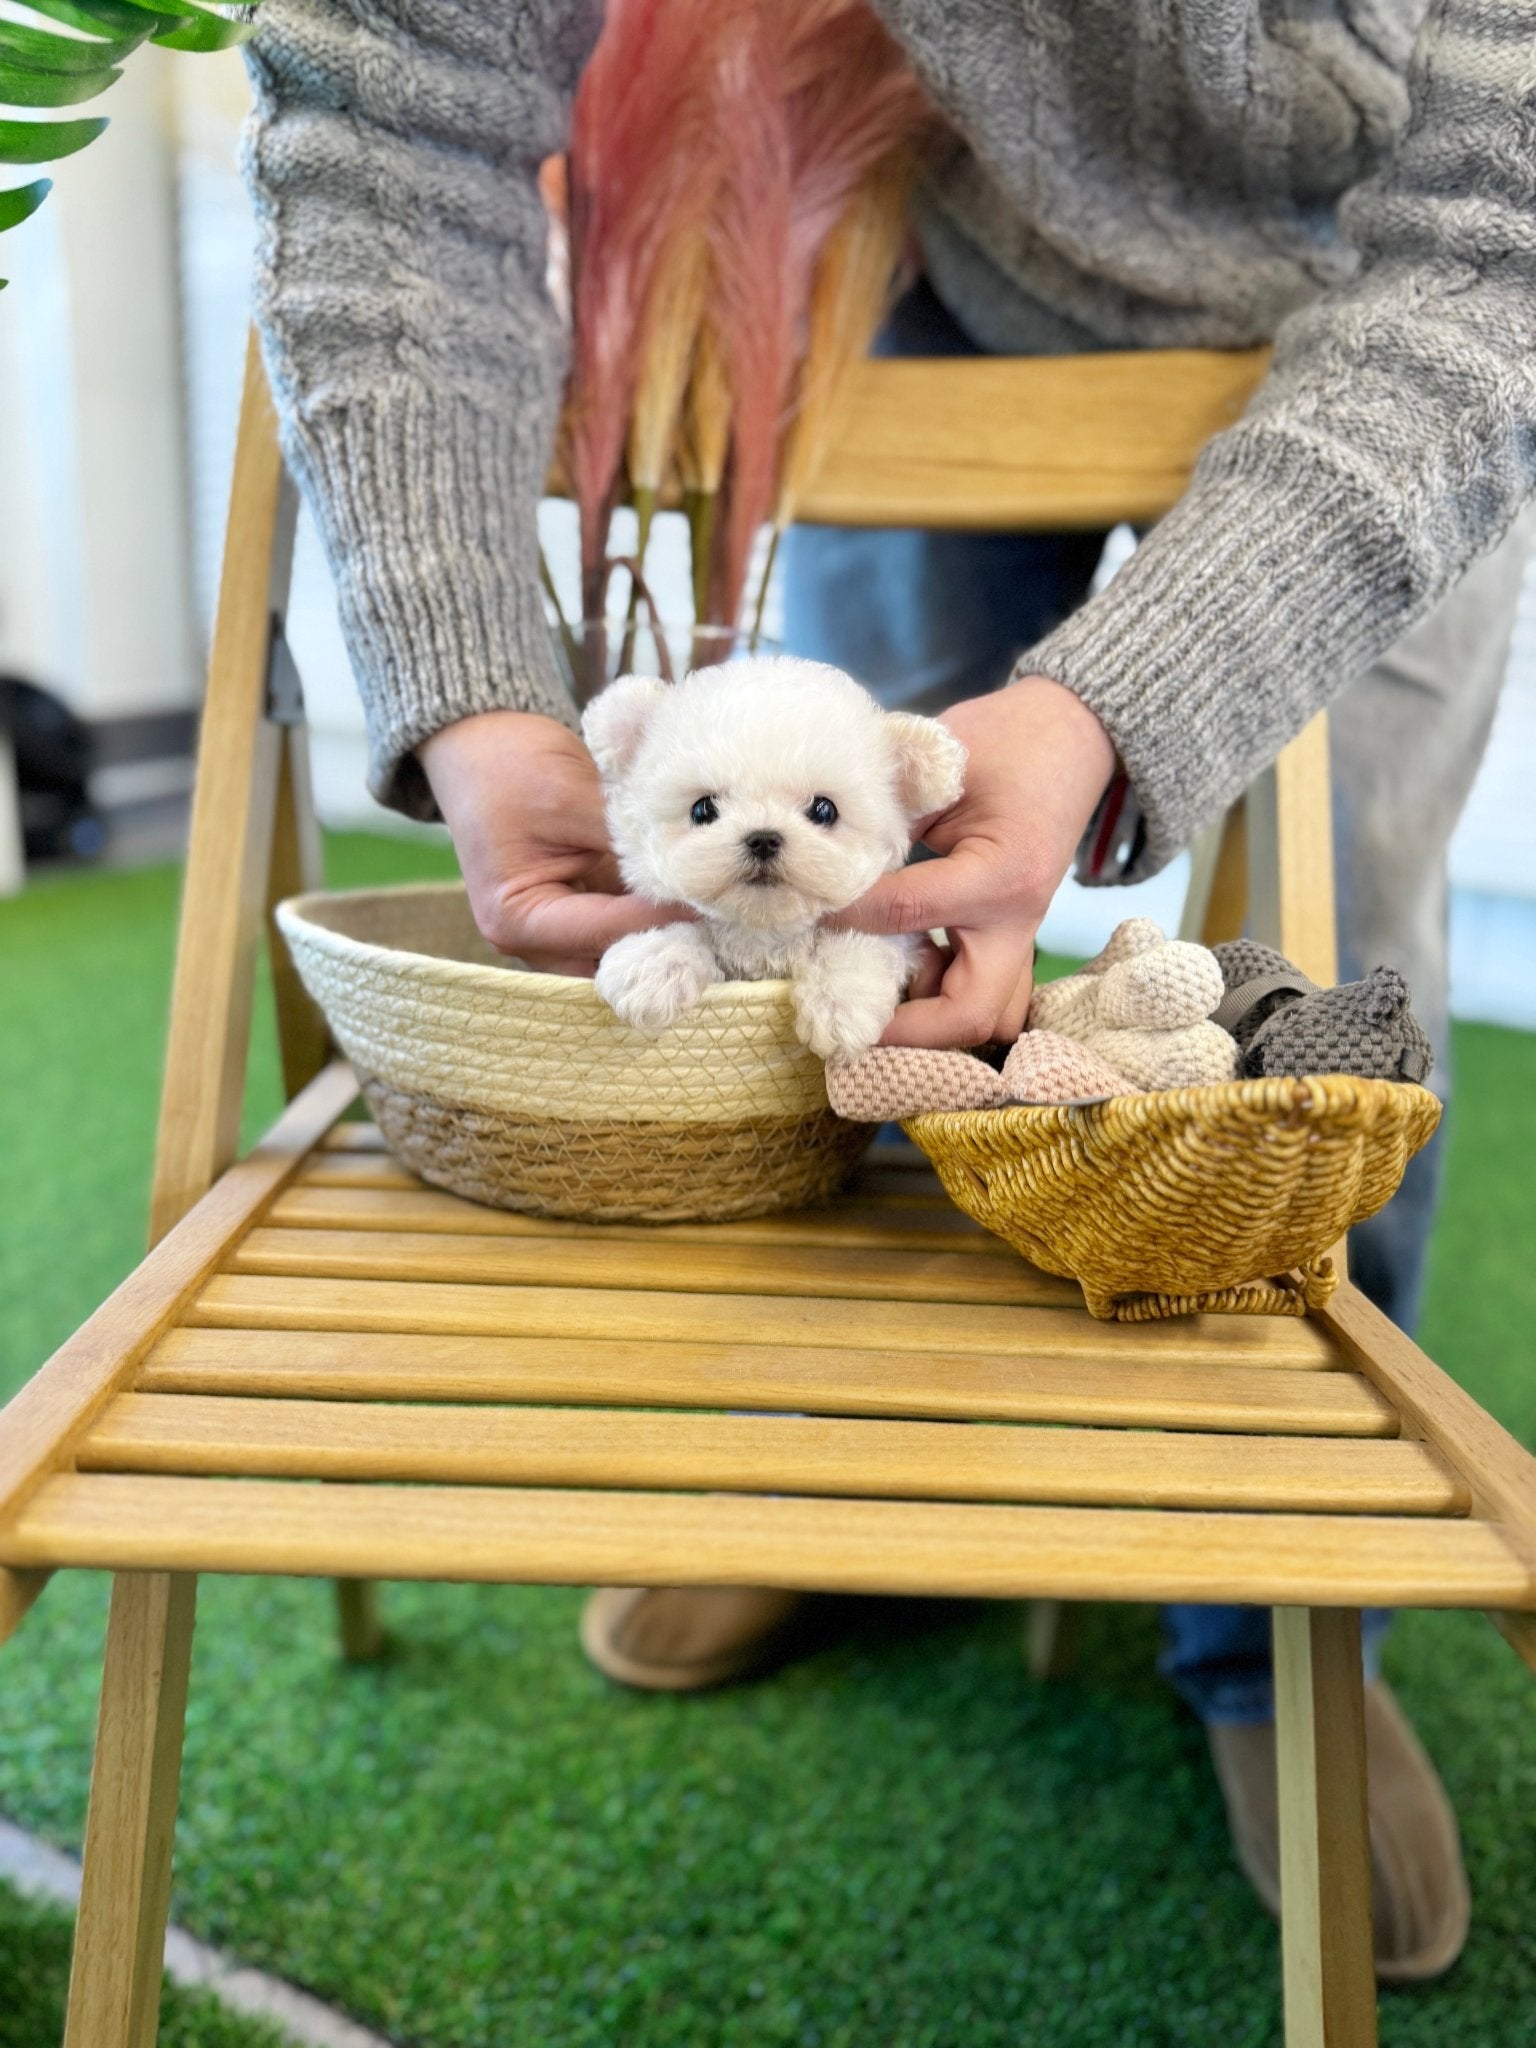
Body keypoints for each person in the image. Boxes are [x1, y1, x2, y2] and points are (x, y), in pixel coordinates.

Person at [243, 0, 1536, 1984]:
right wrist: (475, 685)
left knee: (1340, 982)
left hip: (1386, 292)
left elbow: (1501, 222)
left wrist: (1114, 703)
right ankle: (847, 1478)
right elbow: (386, 87)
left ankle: (1277, 1628)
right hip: (923, 236)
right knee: (862, 979)